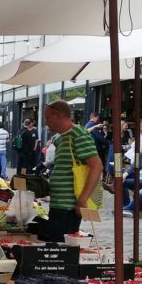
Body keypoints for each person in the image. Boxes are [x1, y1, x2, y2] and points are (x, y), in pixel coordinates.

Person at [46, 100, 103, 241]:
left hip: (69, 206)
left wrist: (82, 200)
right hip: (58, 204)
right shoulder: (60, 138)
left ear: (58, 115)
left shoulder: (79, 134)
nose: (46, 122)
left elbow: (96, 166)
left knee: (62, 248)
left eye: (48, 117)